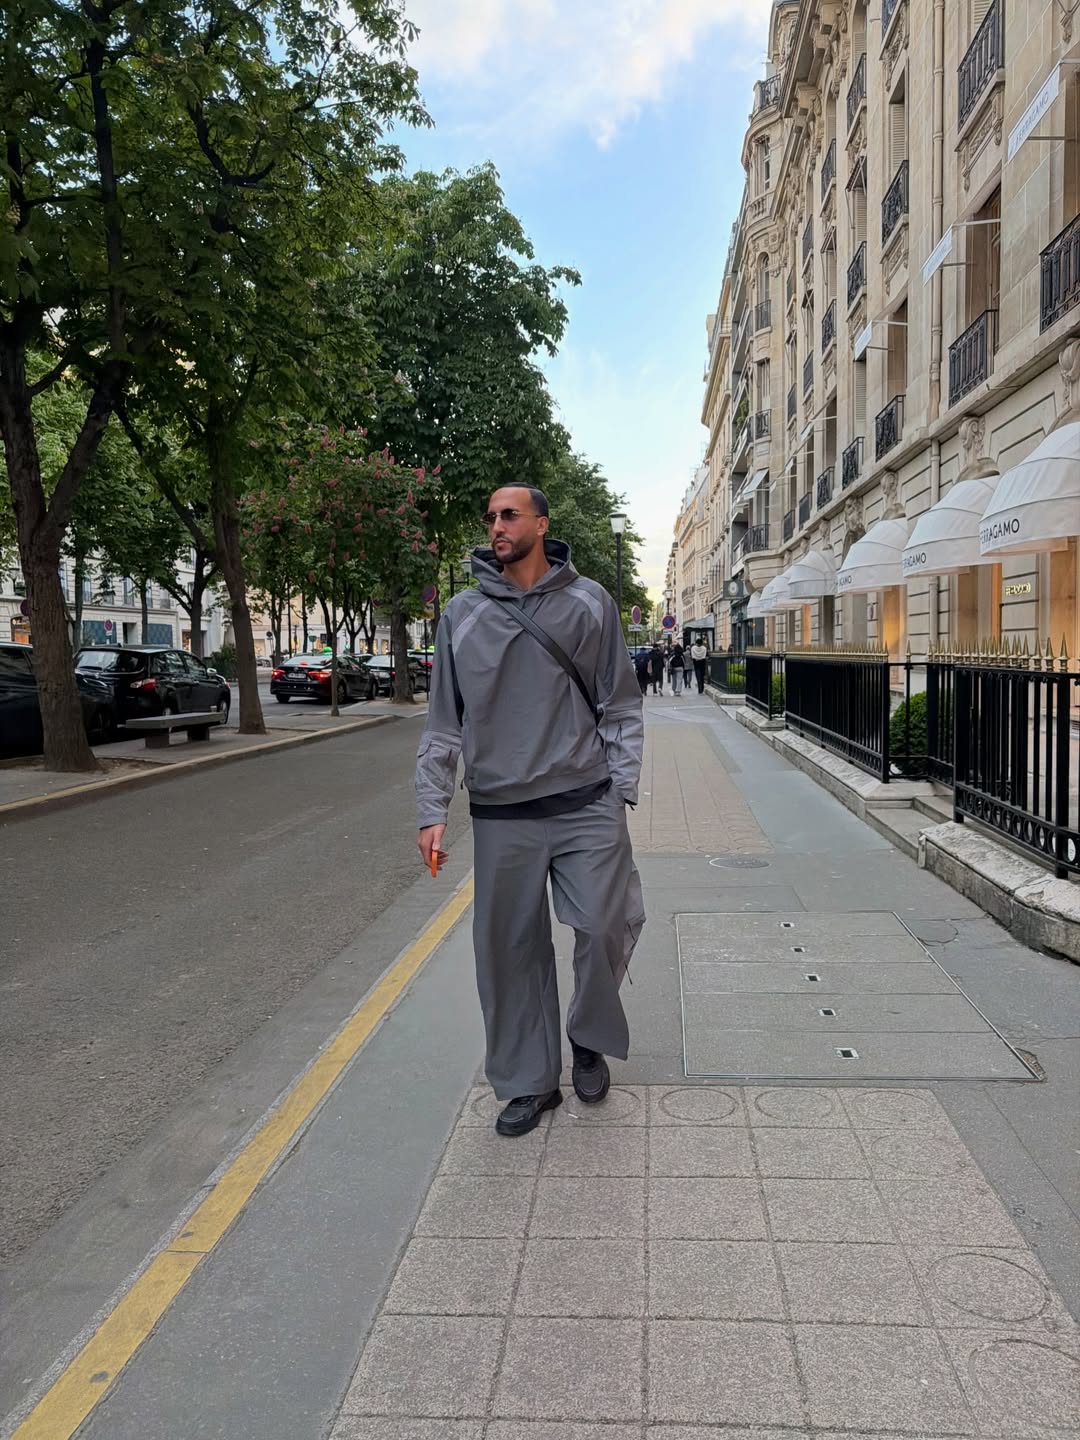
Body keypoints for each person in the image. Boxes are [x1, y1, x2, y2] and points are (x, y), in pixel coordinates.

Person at [415, 486, 646, 1138]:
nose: (497, 525)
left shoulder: (590, 602)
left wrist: (622, 788)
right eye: (490, 516)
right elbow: (443, 722)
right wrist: (432, 808)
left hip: (586, 803)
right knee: (509, 951)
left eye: (509, 515)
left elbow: (620, 702)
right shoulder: (461, 613)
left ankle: (588, 1037)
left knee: (603, 925)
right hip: (501, 813)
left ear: (541, 524)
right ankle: (529, 1081)